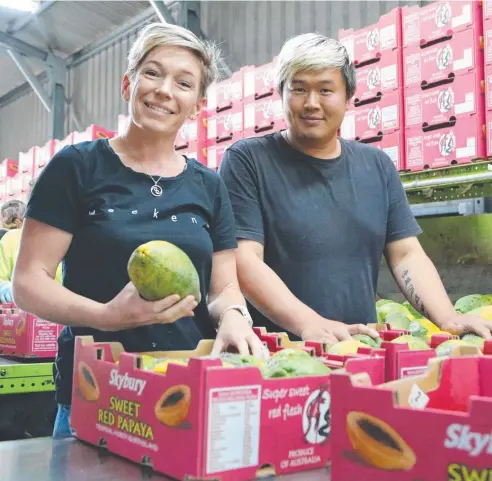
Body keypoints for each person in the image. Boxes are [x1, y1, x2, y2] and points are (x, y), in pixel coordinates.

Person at [12, 22, 264, 439]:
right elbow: (28, 281)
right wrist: (106, 317)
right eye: (152, 73)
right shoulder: (77, 167)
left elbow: (222, 288)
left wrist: (235, 317)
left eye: (183, 83)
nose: (165, 90)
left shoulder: (208, 185)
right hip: (95, 388)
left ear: (197, 105)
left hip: (183, 384)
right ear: (128, 84)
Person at [219, 33, 492, 344]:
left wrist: (448, 318)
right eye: (298, 89)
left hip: (362, 349)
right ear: (281, 94)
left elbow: (406, 254)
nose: (311, 103)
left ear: (348, 97)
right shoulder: (247, 161)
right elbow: (244, 259)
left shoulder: (376, 166)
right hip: (280, 354)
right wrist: (310, 324)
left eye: (325, 90)